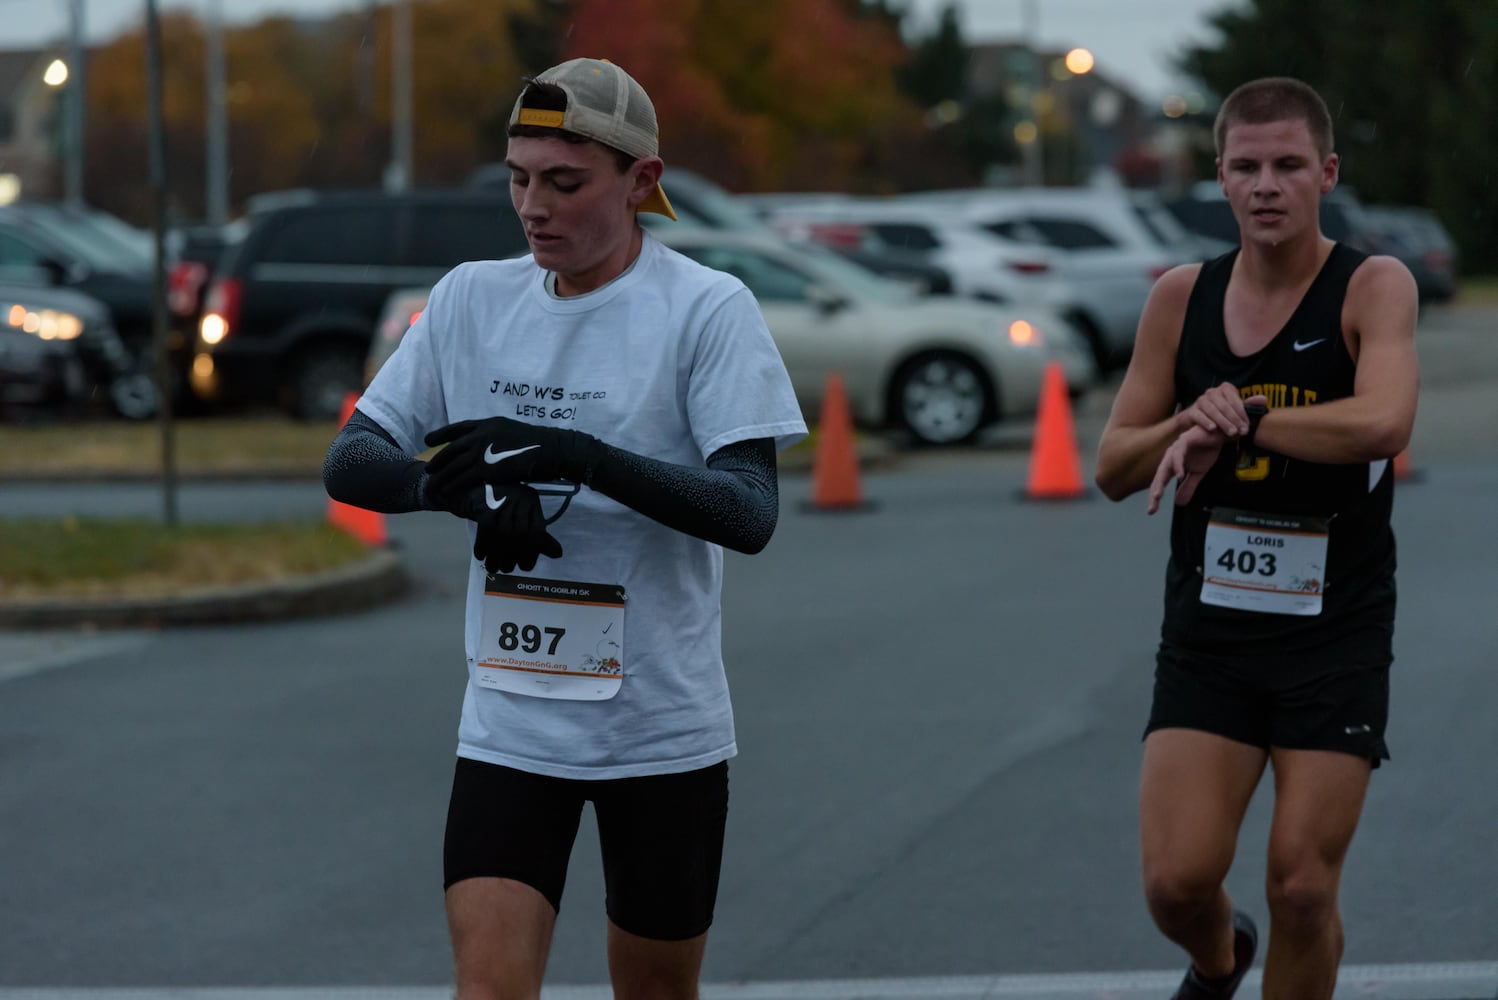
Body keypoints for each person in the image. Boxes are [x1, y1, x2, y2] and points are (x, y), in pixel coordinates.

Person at [323, 57, 806, 999]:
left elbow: (748, 512)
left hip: (659, 733)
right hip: (513, 726)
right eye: (518, 178)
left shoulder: (706, 311)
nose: (533, 206)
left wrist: (579, 455)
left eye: (565, 182)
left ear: (642, 180)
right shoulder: (470, 298)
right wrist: (452, 489)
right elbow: (353, 458)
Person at [1095, 77, 1418, 1000]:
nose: (1266, 185)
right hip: (1212, 635)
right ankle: (1218, 959)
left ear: (1326, 173)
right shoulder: (1179, 298)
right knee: (1176, 882)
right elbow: (1114, 464)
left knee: (1304, 887)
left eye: (1286, 166)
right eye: (1246, 167)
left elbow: (1385, 423)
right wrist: (1186, 425)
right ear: (1222, 180)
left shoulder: (1372, 284)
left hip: (1335, 630)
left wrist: (1246, 419)